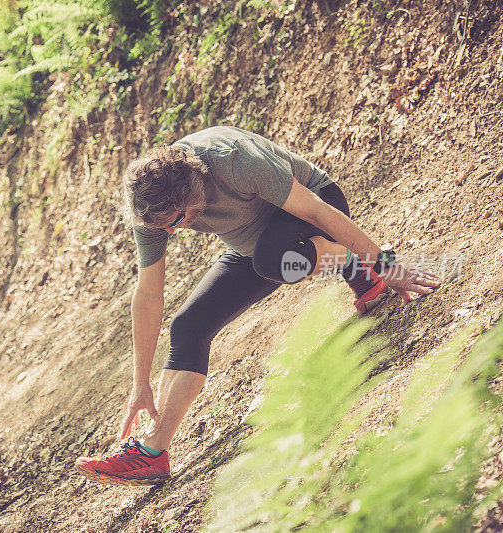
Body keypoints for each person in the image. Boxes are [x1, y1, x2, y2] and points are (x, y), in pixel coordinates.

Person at [74, 126, 442, 486]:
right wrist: (140, 384)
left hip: (316, 208)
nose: (171, 233)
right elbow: (149, 294)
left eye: (176, 223)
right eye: (164, 228)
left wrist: (385, 263)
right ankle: (152, 452)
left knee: (273, 259)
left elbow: (316, 211)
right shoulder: (154, 207)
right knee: (188, 327)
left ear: (190, 192)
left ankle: (349, 261)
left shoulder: (232, 161)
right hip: (255, 248)